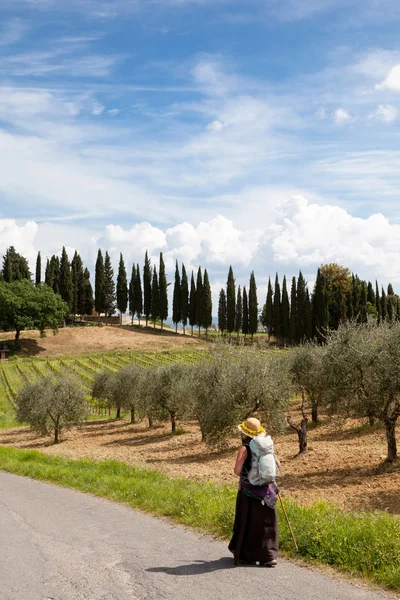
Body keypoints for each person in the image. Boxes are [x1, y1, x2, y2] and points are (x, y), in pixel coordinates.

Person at [228, 417, 279, 567]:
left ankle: (247, 556)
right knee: (266, 523)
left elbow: (237, 471)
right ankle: (269, 556)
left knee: (248, 523)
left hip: (248, 492)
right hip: (267, 491)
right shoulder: (267, 446)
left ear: (244, 433)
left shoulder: (245, 448)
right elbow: (277, 465)